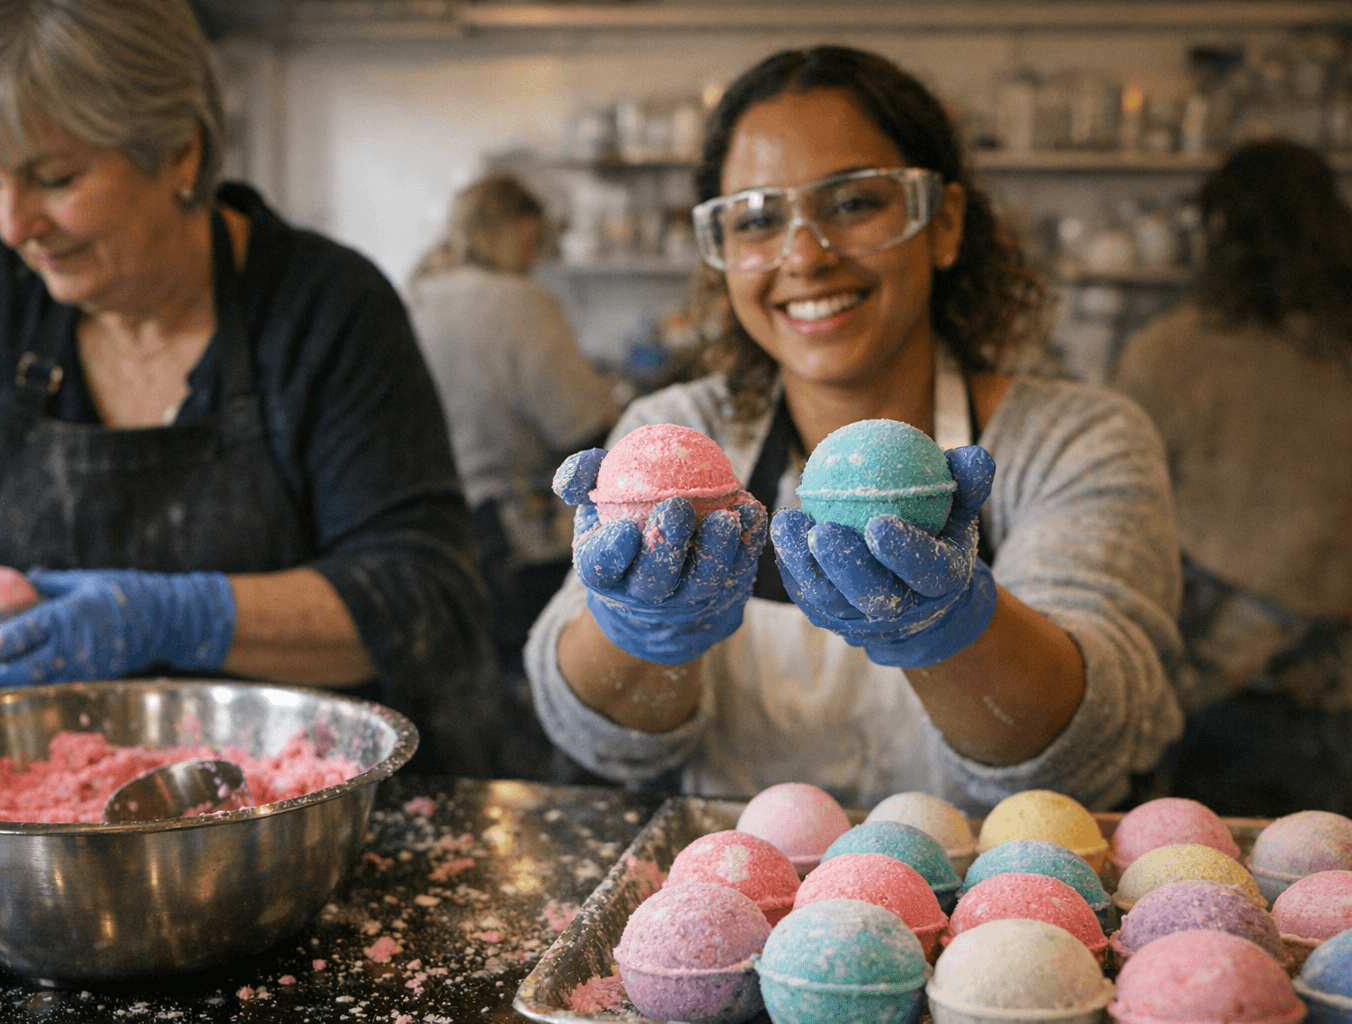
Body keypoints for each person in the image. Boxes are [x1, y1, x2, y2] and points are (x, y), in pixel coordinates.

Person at [0, 0, 490, 775]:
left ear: (178, 151)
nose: (11, 224)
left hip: (282, 809)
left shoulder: (324, 308)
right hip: (31, 815)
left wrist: (173, 616)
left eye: (54, 178)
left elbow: (422, 595)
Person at [526, 45, 1185, 814]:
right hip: (741, 903)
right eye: (758, 219)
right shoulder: (678, 436)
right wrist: (639, 629)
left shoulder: (1075, 441)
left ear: (943, 224)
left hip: (1000, 907)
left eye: (853, 204)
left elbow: (1097, 743)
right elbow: (596, 737)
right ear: (723, 257)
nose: (804, 255)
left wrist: (952, 628)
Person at [1111, 139, 1352, 817]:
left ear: (1218, 234)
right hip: (1338, 679)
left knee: (1210, 883)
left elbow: (1122, 512)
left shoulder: (1171, 350)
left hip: (1220, 674)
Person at [407, 173, 619, 781]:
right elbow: (581, 422)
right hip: (508, 536)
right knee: (539, 690)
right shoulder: (518, 301)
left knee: (462, 695)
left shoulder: (417, 292)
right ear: (516, 229)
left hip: (430, 531)